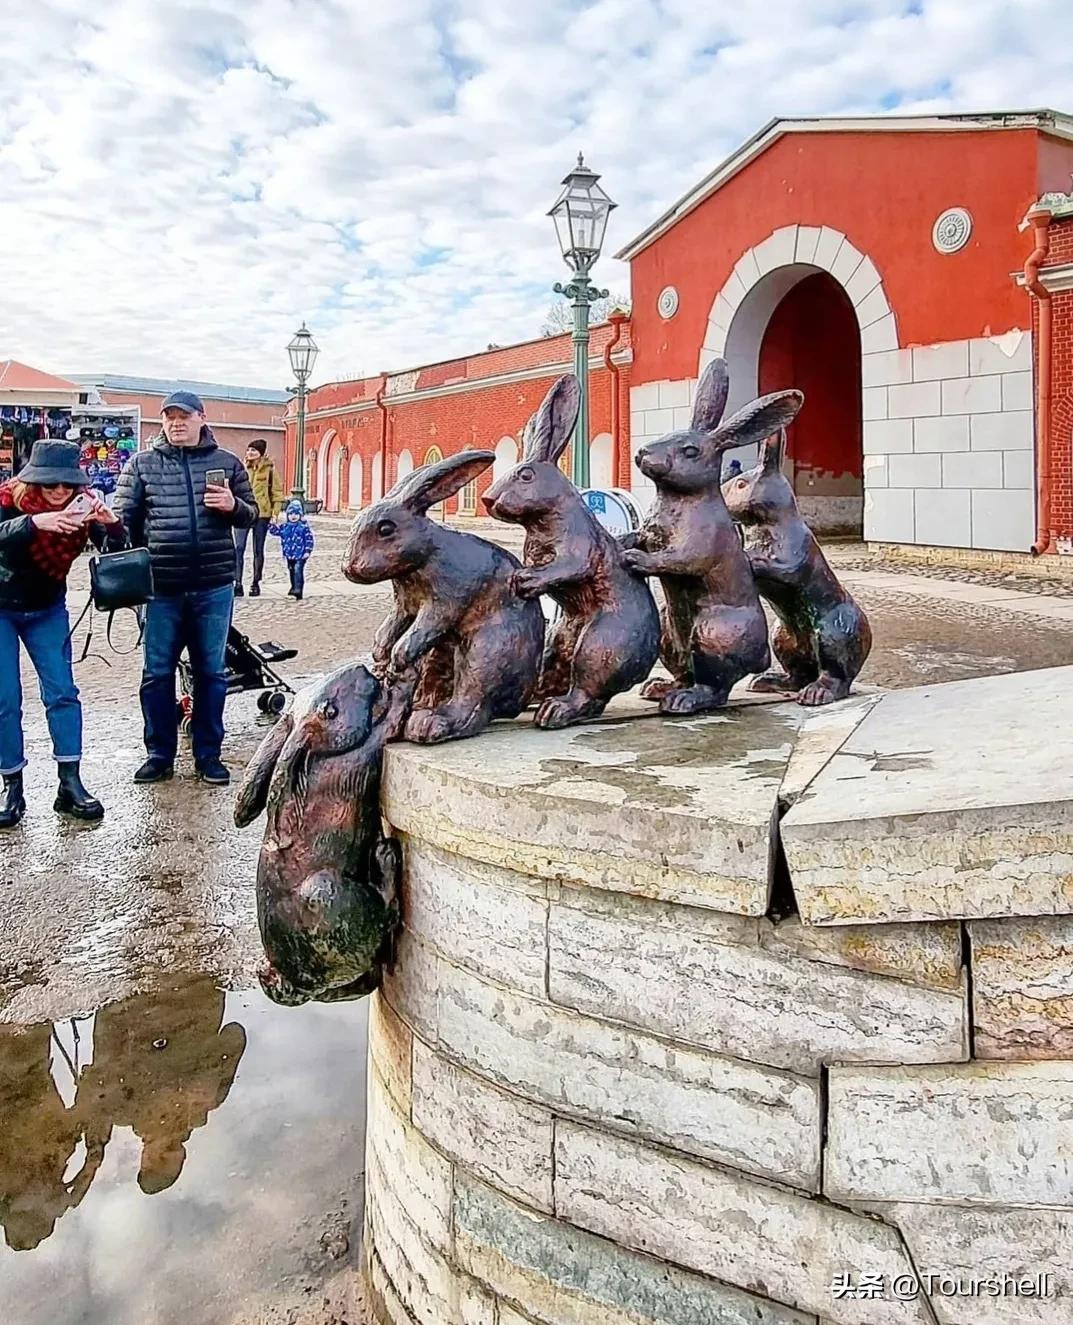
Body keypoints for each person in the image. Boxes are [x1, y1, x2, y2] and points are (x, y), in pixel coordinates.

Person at [114, 391, 257, 787]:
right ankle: (159, 755)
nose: (176, 423)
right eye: (169, 417)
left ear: (201, 418)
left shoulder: (226, 463)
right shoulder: (141, 464)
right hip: (161, 589)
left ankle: (208, 755)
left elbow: (252, 514)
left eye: (184, 416)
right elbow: (122, 523)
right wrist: (106, 524)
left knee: (211, 673)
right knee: (156, 674)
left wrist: (233, 505)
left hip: (213, 586)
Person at [0, 441, 126, 828]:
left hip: (47, 608)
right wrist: (33, 523)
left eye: (67, 484)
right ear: (34, 480)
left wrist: (110, 523)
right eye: (50, 483)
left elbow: (117, 550)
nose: (59, 491)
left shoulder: (82, 507)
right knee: (5, 698)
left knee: (63, 693)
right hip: (2, 608)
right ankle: (12, 784)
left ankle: (69, 782)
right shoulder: (9, 500)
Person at [234, 438, 283, 597]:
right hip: (243, 512)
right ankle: (237, 583)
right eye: (248, 450)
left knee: (258, 549)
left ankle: (255, 582)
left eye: (253, 450)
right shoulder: (242, 469)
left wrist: (275, 513)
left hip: (262, 514)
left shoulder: (269, 470)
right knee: (238, 548)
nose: (249, 453)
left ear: (260, 453)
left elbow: (277, 492)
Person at [268, 499, 315, 601]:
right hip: (289, 554)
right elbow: (275, 531)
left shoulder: (303, 527)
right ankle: (293, 587)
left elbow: (309, 540)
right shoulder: (285, 527)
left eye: (296, 514)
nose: (293, 516)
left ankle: (298, 589)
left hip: (300, 554)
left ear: (300, 515)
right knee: (291, 570)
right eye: (291, 514)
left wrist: (307, 551)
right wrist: (272, 524)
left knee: (298, 570)